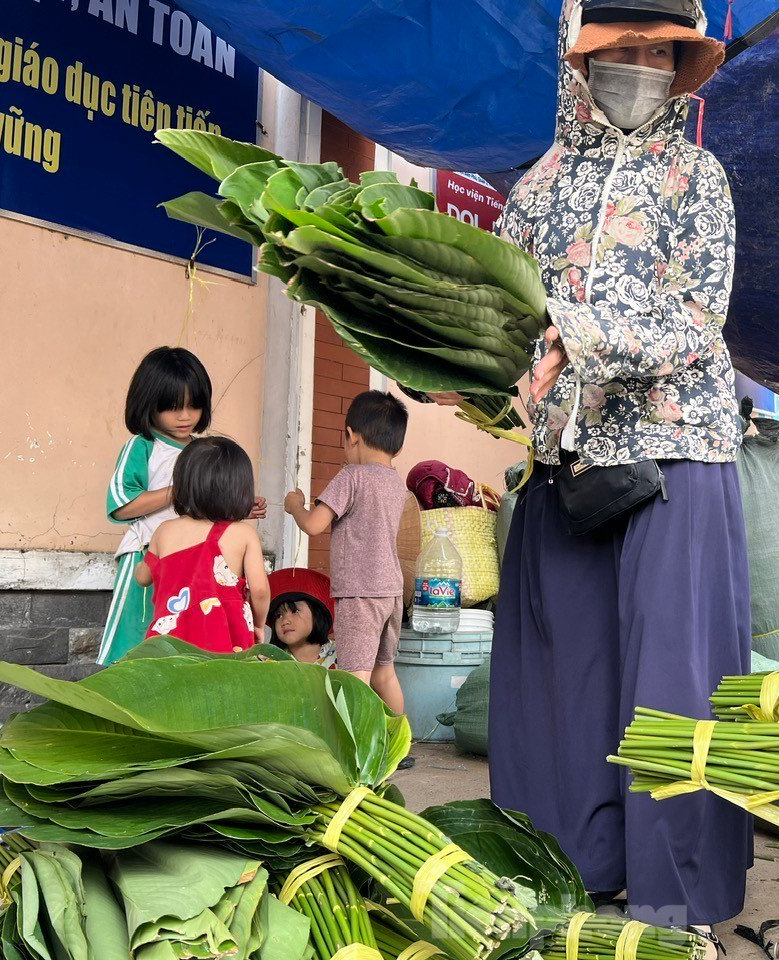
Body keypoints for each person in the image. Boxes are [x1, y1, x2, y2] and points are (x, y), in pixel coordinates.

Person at [428, 0, 748, 945]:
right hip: (565, 464)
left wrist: (583, 335)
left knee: (671, 681)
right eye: (624, 51)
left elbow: (701, 318)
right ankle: (568, 874)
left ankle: (675, 897)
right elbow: (511, 324)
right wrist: (482, 378)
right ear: (582, 66)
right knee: (560, 679)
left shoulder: (699, 176)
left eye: (661, 53)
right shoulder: (536, 190)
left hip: (674, 449)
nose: (644, 66)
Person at [100, 347, 266, 665]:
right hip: (148, 557)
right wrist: (181, 490)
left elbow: (205, 511)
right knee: (135, 642)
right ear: (149, 404)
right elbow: (121, 506)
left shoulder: (203, 449)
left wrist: (237, 507)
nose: (185, 416)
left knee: (187, 644)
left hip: (200, 563)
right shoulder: (142, 446)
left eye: (194, 406)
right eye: (173, 408)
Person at [284, 390, 418, 713]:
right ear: (397, 446)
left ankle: (358, 751)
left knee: (355, 676)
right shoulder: (396, 483)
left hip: (360, 593)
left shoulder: (351, 476)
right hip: (391, 593)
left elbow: (315, 525)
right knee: (384, 674)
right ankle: (400, 743)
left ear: (350, 437)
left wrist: (296, 507)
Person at [134, 436, 271, 652]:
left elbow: (142, 578)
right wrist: (258, 624)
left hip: (170, 644)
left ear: (182, 484)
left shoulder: (164, 530)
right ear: (240, 489)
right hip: (225, 639)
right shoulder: (243, 533)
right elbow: (260, 590)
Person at [267, 567, 339, 667]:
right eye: (278, 616)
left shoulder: (344, 655)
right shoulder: (269, 662)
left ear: (317, 615)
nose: (285, 621)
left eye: (295, 611)